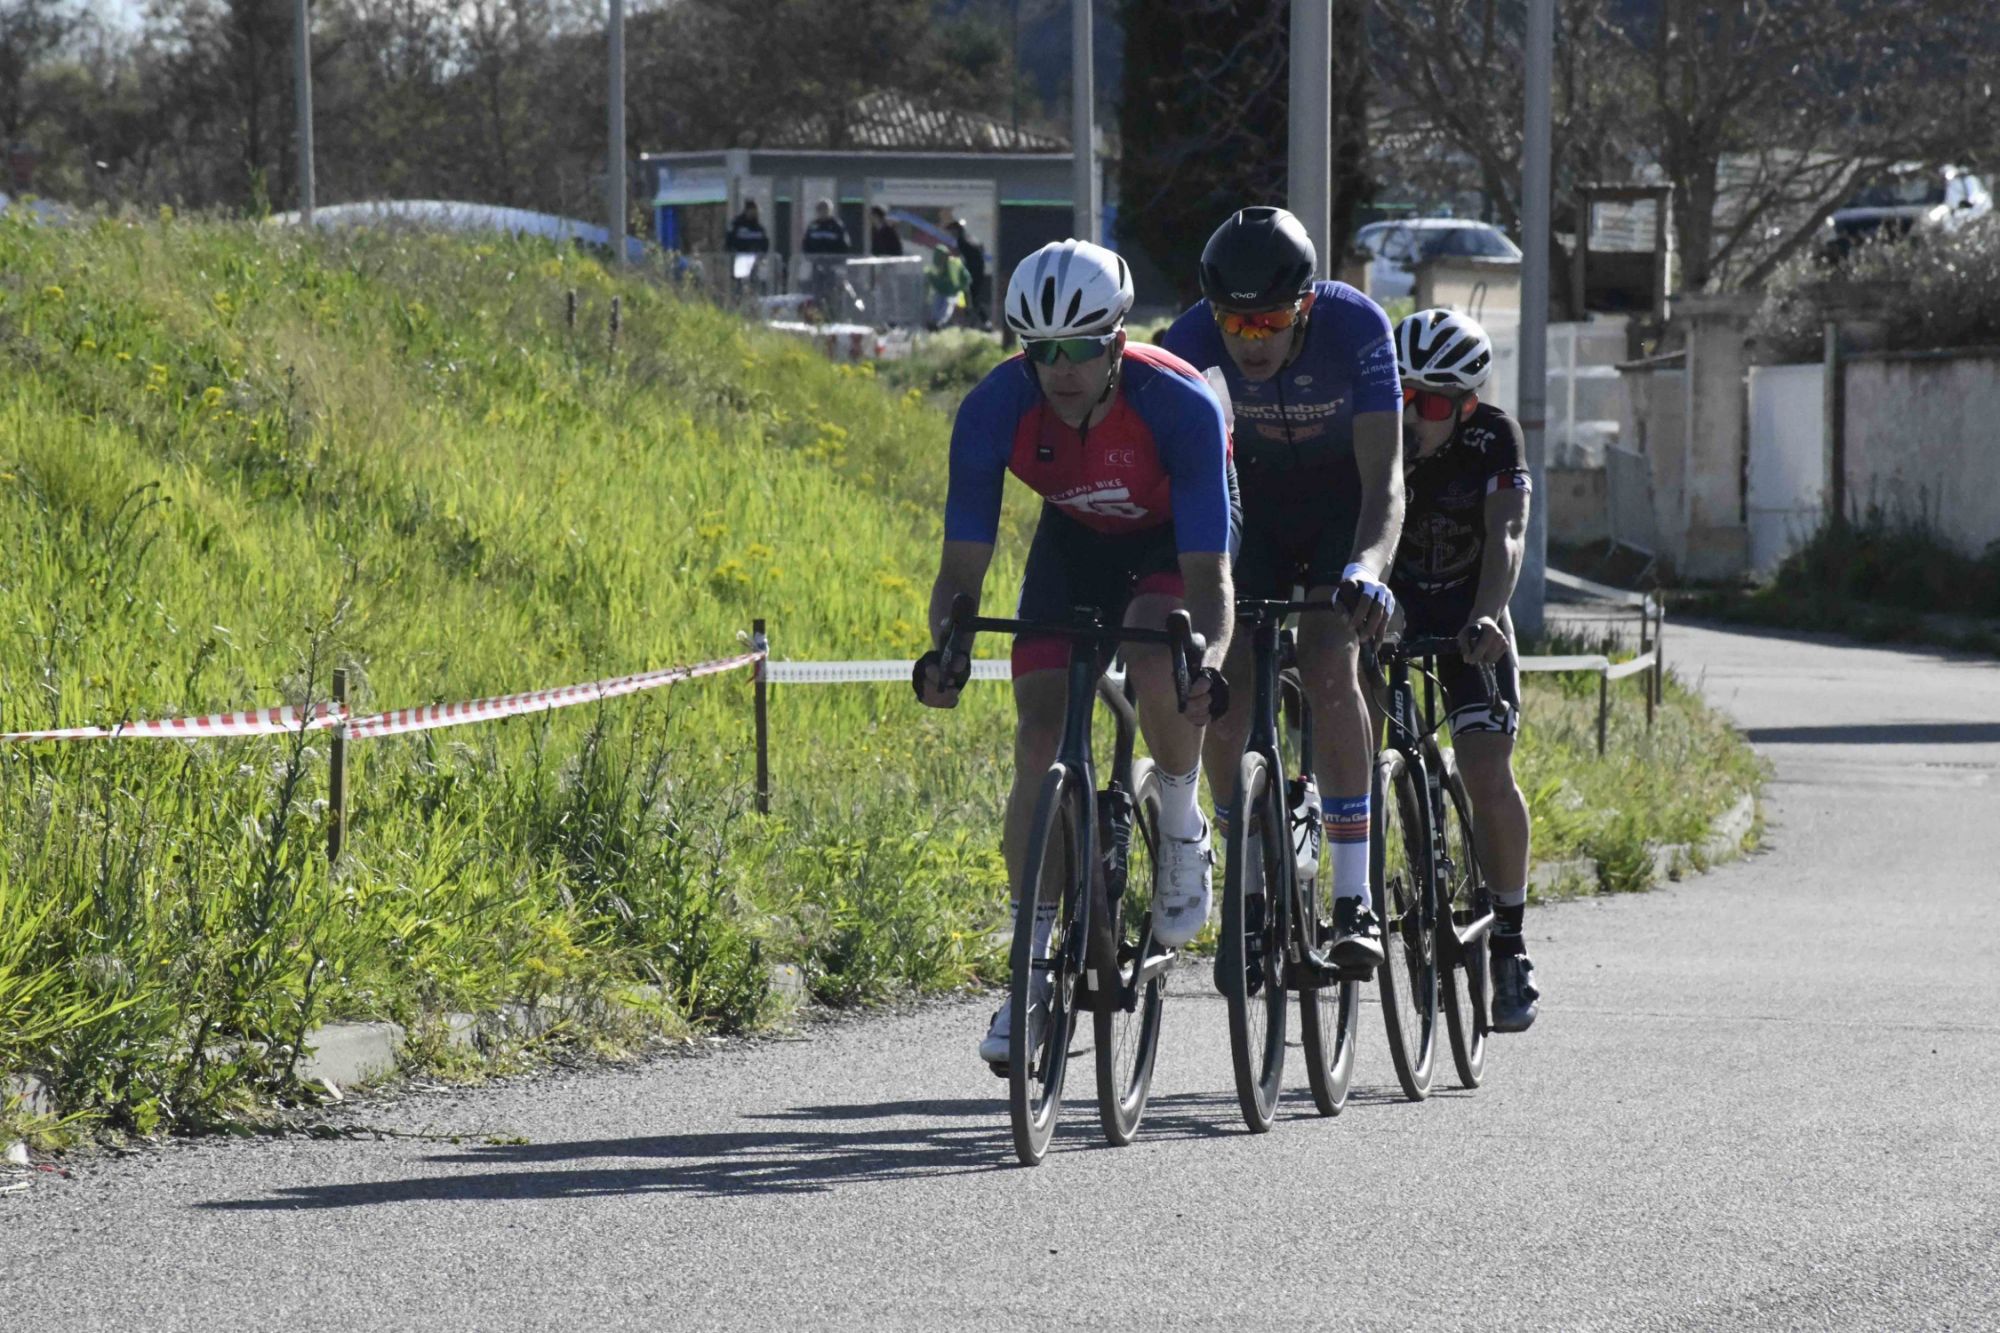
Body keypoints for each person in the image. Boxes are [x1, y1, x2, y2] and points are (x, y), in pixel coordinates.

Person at [916, 239, 1239, 1066]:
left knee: (1161, 651)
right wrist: (948, 650)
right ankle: (1026, 975)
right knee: (1037, 737)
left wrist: (1208, 660)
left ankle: (1182, 820)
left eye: (1080, 348)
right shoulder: (995, 407)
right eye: (1041, 349)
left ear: (1118, 341)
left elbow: (1211, 582)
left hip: (1174, 538)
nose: (1059, 369)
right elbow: (960, 572)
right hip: (1076, 538)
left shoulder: (1179, 404)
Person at [1160, 205, 1404, 968]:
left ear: (1304, 306)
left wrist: (1368, 569)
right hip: (1249, 511)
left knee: (1330, 662)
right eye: (1235, 322)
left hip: (1340, 510)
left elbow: (1385, 481)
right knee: (1224, 683)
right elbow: (1183, 485)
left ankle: (1354, 897)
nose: (1250, 341)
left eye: (1268, 321)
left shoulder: (1356, 327)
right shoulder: (1189, 343)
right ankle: (1250, 881)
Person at [1388, 307, 1539, 1032]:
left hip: (1469, 615)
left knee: (1485, 770)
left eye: (1432, 404)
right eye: (1403, 395)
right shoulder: (1377, 430)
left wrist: (1487, 615)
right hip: (1392, 610)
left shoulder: (1494, 437)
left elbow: (1507, 532)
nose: (1412, 415)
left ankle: (1508, 939)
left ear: (1468, 405)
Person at [948, 218, 989, 327]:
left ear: (956, 230)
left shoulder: (962, 241)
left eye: (952, 231)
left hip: (973, 273)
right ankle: (974, 322)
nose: (951, 234)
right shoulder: (970, 238)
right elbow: (981, 248)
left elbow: (955, 254)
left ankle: (984, 322)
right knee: (971, 299)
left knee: (973, 299)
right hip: (978, 272)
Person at [923, 243, 971, 331]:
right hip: (939, 292)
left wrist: (960, 288)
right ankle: (933, 324)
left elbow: (966, 278)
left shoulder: (954, 264)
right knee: (935, 308)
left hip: (952, 292)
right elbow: (929, 282)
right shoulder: (933, 268)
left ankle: (939, 324)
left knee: (946, 308)